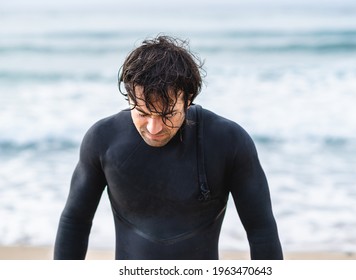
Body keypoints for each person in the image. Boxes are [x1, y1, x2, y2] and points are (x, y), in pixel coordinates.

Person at [54, 35, 283, 260]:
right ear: (129, 97)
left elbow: (260, 229)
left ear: (189, 99)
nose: (154, 128)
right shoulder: (103, 140)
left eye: (167, 115)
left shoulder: (229, 142)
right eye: (142, 113)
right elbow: (75, 222)